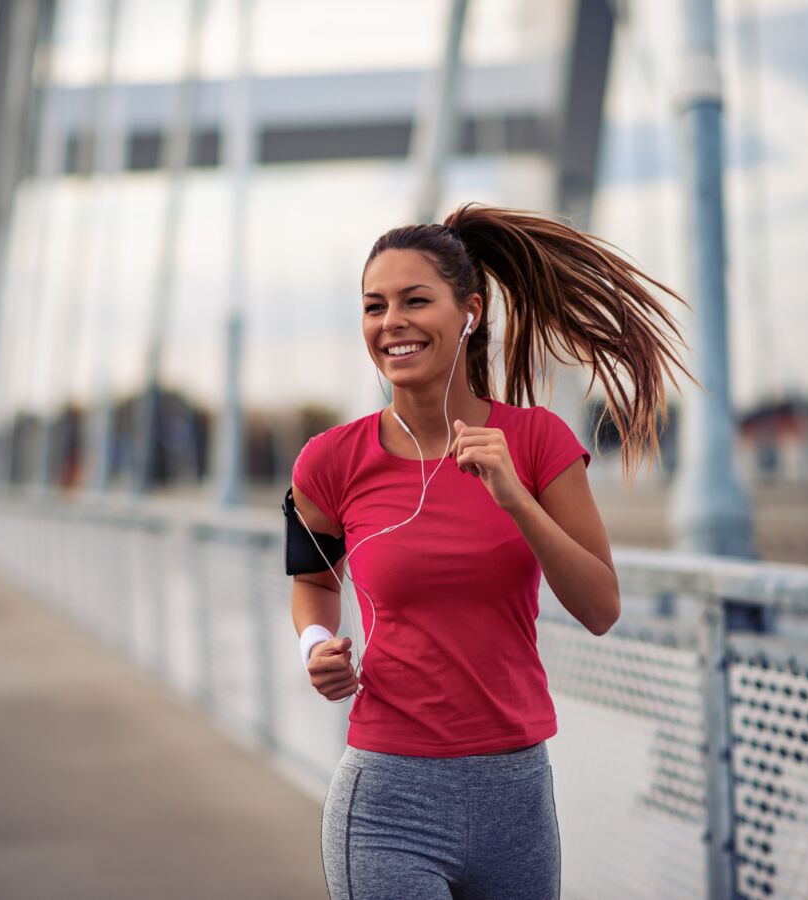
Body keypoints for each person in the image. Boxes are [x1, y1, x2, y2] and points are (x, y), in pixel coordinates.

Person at [287, 203, 698, 899]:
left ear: (469, 312)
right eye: (374, 306)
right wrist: (315, 647)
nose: (392, 323)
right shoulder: (327, 461)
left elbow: (601, 607)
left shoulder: (537, 443)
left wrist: (516, 497)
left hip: (517, 800)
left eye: (416, 301)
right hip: (389, 799)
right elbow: (312, 584)